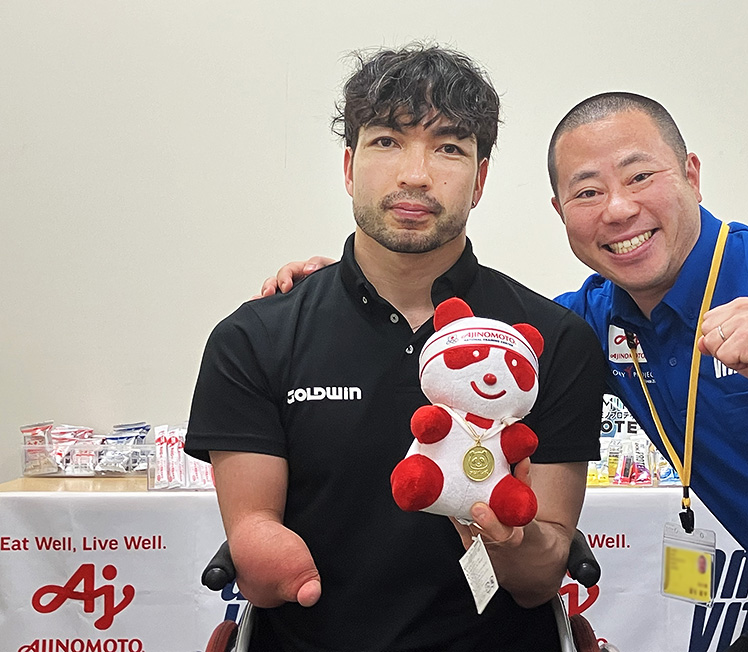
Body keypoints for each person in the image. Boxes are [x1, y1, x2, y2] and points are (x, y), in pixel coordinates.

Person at [268, 91, 748, 651]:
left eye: (640, 176)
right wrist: (344, 290)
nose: (617, 209)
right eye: (587, 191)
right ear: (561, 214)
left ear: (692, 175)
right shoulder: (594, 321)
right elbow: (471, 334)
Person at [185, 45, 606, 652]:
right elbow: (253, 528)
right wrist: (264, 553)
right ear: (350, 166)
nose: (416, 174)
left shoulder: (550, 342)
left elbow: (540, 580)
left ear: (480, 179)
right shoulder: (255, 338)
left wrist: (514, 539)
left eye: (449, 147)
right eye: (388, 142)